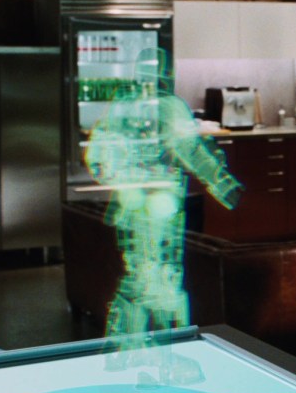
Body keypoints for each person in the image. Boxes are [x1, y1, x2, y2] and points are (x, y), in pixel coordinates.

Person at [84, 47, 242, 372]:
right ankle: (164, 355)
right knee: (163, 279)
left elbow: (98, 154)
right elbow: (192, 151)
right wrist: (223, 185)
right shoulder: (168, 106)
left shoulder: (122, 105)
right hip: (160, 202)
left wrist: (122, 177)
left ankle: (126, 351)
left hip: (134, 203)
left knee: (140, 275)